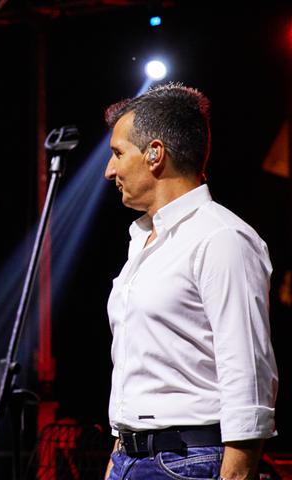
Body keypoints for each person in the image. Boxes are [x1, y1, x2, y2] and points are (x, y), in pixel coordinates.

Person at [101, 83, 278, 480]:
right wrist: (118, 455)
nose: (109, 170)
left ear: (155, 153)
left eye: (118, 153)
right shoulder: (142, 242)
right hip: (131, 459)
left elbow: (247, 374)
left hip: (188, 461)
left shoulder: (221, 238)